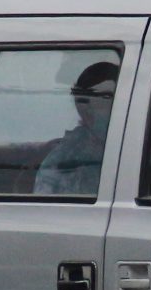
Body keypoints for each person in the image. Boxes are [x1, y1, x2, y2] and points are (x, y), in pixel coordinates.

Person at [34, 60, 120, 194]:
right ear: (82, 109)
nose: (114, 108)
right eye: (106, 99)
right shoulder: (65, 160)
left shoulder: (131, 149)